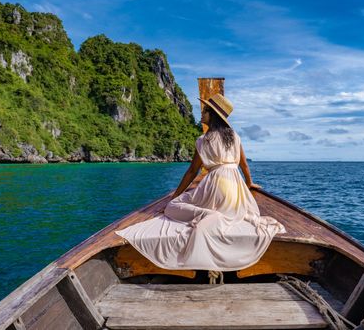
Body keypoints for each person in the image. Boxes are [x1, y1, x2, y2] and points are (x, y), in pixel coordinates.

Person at [115, 93, 286, 272]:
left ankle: (208, 216)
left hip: (216, 184)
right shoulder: (234, 136)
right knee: (223, 209)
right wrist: (249, 184)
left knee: (173, 207)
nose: (201, 114)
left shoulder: (204, 140)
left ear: (212, 114)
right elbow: (243, 164)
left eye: (204, 111)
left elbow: (191, 172)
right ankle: (214, 215)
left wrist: (173, 198)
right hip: (236, 189)